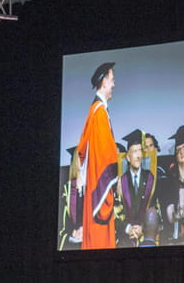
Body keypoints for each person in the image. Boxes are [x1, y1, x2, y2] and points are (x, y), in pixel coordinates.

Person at [76, 62, 118, 249]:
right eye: (112, 80)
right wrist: (110, 187)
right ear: (103, 82)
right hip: (98, 192)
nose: (114, 85)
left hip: (92, 188)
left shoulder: (93, 112)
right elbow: (105, 157)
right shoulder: (99, 114)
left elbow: (82, 151)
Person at [114, 130, 157, 248]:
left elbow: (155, 207)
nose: (138, 156)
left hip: (146, 235)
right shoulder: (120, 181)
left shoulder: (150, 178)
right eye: (134, 152)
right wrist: (128, 229)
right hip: (125, 237)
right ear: (128, 157)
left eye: (139, 151)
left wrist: (143, 227)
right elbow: (116, 211)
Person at [161, 125, 184, 245]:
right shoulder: (170, 180)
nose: (181, 152)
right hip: (173, 229)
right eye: (178, 150)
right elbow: (166, 206)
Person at [58, 146, 85, 251]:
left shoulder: (95, 187)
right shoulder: (67, 188)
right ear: (75, 160)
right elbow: (62, 220)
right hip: (73, 241)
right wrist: (72, 232)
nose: (84, 160)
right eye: (81, 157)